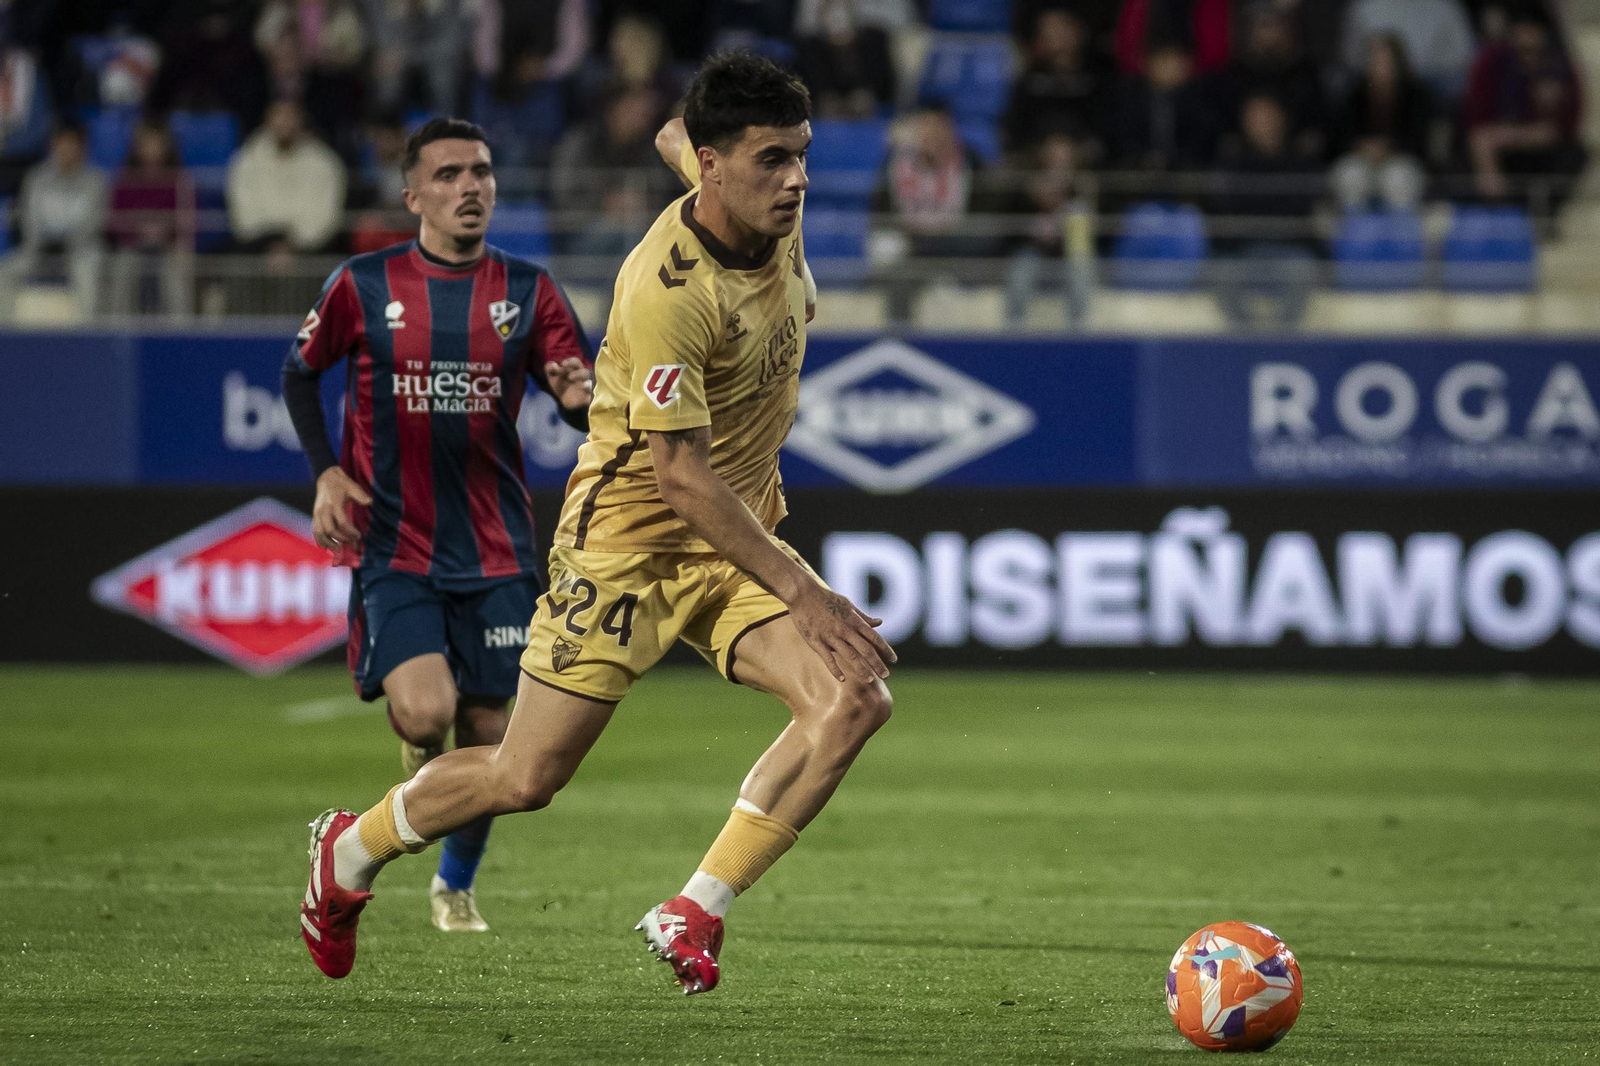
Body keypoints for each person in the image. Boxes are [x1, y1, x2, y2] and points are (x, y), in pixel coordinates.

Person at [297, 52, 895, 997]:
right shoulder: (664, 293)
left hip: (732, 541)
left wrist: (695, 147)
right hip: (628, 547)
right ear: (717, 166)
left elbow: (677, 139)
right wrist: (807, 590)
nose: (799, 181)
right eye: (775, 160)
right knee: (524, 776)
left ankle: (696, 907)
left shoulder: (763, 205)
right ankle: (350, 851)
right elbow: (682, 477)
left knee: (854, 696)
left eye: (803, 156)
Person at [282, 117, 597, 933]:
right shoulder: (362, 282)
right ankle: (414, 792)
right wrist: (325, 471)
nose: (471, 187)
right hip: (396, 544)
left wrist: (582, 394)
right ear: (412, 193)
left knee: (495, 738)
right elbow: (298, 371)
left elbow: (573, 384)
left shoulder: (529, 290)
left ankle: (452, 883)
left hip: (496, 550)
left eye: (483, 172)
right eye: (451, 174)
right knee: (427, 713)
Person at [1463, 9, 1587, 215]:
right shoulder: (1491, 63)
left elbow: (1562, 129)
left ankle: (1541, 218)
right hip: (1500, 150)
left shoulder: (1560, 67)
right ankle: (1496, 217)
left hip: (1540, 152)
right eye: (1523, 47)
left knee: (1574, 156)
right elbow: (1477, 127)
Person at [1, 122, 107, 320]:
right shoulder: (36, 178)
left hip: (80, 251)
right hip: (38, 250)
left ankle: (86, 335)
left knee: (88, 273)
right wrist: (45, 242)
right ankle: (6, 336)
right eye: (60, 143)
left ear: (82, 146)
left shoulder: (96, 181)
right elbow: (29, 219)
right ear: (53, 145)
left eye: (71, 143)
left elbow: (95, 222)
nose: (65, 149)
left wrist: (68, 243)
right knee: (4, 273)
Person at [226, 100, 347, 260]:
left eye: (290, 116)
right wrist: (272, 242)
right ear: (267, 120)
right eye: (279, 116)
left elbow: (327, 215)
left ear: (302, 120)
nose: (284, 122)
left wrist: (294, 242)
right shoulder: (246, 160)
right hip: (257, 247)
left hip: (310, 251)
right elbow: (242, 211)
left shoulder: (325, 162)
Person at [1329, 34, 1432, 212]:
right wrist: (1361, 147)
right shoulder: (1354, 95)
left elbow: (1420, 139)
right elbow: (1339, 138)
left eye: (1387, 60)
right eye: (1376, 60)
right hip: (1361, 159)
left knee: (1398, 179)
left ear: (1399, 62)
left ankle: (1401, 236)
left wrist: (1389, 148)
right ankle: (1356, 235)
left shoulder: (1415, 95)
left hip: (1401, 160)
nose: (1382, 67)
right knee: (1351, 176)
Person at [107, 117, 197, 316]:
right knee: (123, 265)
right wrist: (139, 231)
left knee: (179, 265)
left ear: (166, 145)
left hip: (168, 247)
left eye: (156, 142)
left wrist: (166, 234)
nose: (151, 148)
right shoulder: (125, 179)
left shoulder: (179, 179)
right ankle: (118, 332)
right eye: (146, 142)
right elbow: (115, 221)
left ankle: (179, 330)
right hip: (132, 246)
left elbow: (186, 222)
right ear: (137, 147)